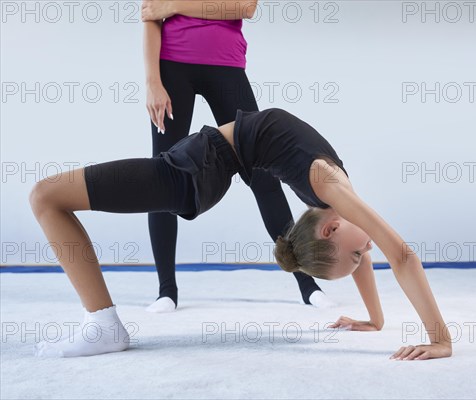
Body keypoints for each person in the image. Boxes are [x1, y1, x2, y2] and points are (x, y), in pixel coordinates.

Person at [29, 108, 453, 360]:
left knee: (46, 197)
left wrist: (403, 327)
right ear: (330, 227)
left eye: (359, 256)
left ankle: (103, 326)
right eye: (360, 256)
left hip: (196, 171)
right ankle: (103, 324)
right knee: (46, 196)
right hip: (199, 167)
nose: (368, 251)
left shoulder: (335, 202)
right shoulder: (332, 189)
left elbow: (372, 250)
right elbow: (403, 255)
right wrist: (409, 331)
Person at [141, 0, 330, 313]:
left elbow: (244, 7)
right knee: (162, 173)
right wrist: (152, 82)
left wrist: (173, 6)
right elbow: (150, 15)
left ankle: (307, 283)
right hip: (171, 66)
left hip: (226, 66)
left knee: (263, 175)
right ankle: (166, 291)